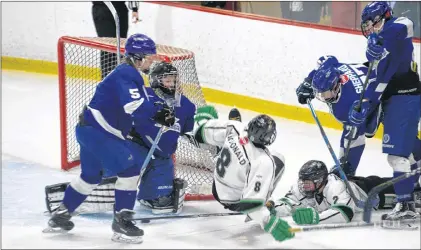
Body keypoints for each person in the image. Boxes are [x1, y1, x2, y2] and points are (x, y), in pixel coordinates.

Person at [44, 33, 171, 244]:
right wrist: (158, 114)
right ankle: (122, 223)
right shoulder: (128, 74)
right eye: (149, 56)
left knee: (90, 177)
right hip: (99, 133)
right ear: (138, 56)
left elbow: (135, 105)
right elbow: (134, 106)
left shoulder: (127, 73)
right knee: (129, 170)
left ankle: (61, 215)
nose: (152, 60)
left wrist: (157, 111)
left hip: (88, 130)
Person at [192, 105, 295, 243]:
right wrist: (269, 221)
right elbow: (251, 206)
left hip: (216, 188)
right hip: (234, 201)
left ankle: (224, 146)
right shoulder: (264, 161)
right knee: (278, 160)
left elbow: (199, 133)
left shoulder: (236, 128)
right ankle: (267, 200)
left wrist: (202, 120)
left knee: (226, 140)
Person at [358, 1, 421, 220]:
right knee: (412, 148)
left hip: (405, 97)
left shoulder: (397, 26)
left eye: (372, 24)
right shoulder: (376, 47)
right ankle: (415, 192)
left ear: (383, 18)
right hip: (396, 100)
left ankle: (405, 205)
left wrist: (381, 37)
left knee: (396, 155)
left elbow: (405, 25)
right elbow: (378, 78)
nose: (369, 29)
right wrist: (367, 103)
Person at [271, 160, 420, 225]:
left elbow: (344, 213)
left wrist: (316, 217)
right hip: (359, 185)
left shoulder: (334, 187)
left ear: (320, 181)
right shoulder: (304, 187)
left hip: (371, 191)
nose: (304, 186)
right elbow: (288, 203)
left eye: (308, 182)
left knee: (412, 193)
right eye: (302, 181)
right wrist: (270, 208)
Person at [92, 1, 140, 79]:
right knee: (108, 48)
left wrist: (135, 9)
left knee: (120, 48)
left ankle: (119, 81)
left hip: (120, 8)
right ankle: (107, 82)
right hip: (102, 8)